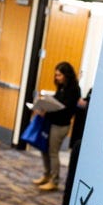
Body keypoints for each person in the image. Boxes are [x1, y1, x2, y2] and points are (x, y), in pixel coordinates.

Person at [33, 61, 81, 192]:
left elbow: (65, 108)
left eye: (59, 75)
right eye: (56, 75)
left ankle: (54, 181)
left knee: (53, 152)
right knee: (45, 150)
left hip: (61, 125)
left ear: (66, 75)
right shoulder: (62, 87)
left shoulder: (74, 89)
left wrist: (48, 111)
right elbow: (56, 101)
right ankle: (47, 175)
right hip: (52, 122)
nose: (57, 78)